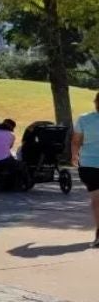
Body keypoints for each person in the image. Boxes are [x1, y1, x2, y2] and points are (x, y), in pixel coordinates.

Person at [71, 91, 99, 248]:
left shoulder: (84, 119)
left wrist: (74, 156)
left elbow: (76, 141)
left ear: (96, 102)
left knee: (96, 199)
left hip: (89, 165)